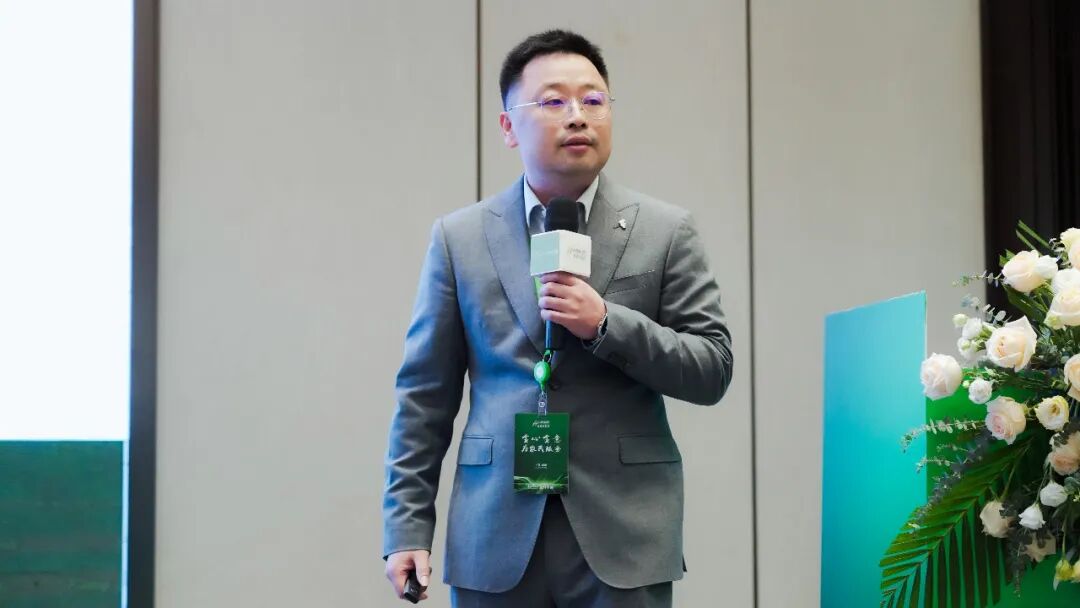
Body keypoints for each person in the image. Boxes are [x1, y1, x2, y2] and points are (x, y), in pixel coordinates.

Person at [382, 29, 733, 607]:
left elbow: (712, 368)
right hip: (495, 533)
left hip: (624, 535)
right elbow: (424, 396)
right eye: (553, 101)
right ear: (507, 126)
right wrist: (406, 528)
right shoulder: (459, 238)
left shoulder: (666, 231)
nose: (578, 116)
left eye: (593, 100)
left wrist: (606, 324)